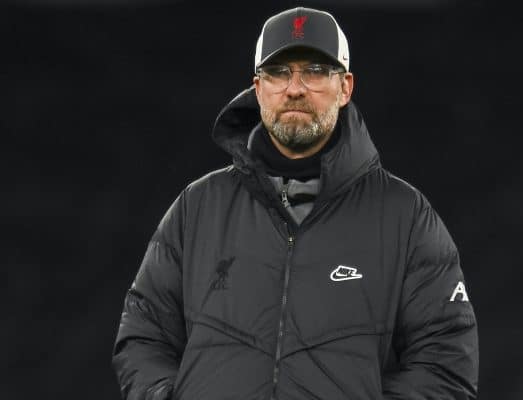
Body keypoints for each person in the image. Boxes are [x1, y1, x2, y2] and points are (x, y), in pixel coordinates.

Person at [112, 7, 479, 400]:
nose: (295, 88)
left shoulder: (405, 217)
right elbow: (143, 335)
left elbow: (446, 360)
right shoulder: (197, 208)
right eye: (279, 72)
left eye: (316, 71)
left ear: (346, 87)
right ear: (258, 87)